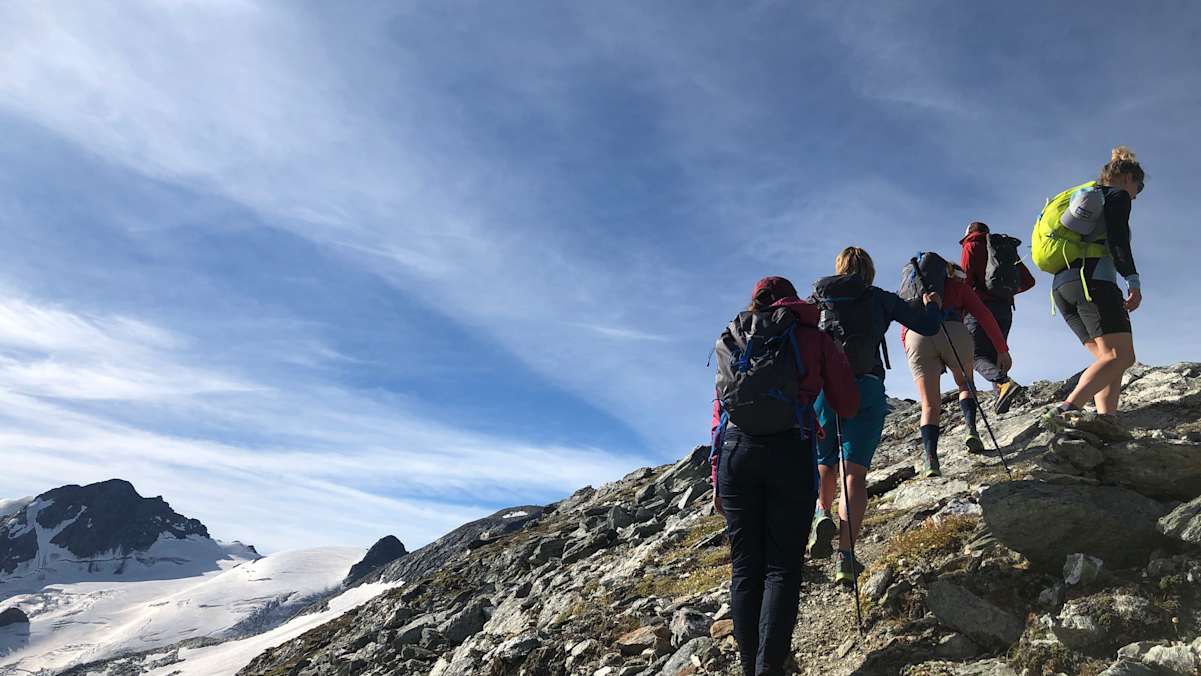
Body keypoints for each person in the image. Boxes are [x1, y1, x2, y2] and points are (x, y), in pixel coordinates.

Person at [710, 276, 858, 676]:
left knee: (745, 568)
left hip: (735, 453)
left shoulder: (736, 337)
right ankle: (770, 668)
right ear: (792, 299)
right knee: (782, 567)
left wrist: (715, 478)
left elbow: (720, 411)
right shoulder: (814, 335)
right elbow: (847, 403)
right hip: (790, 450)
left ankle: (750, 667)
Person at [806, 247, 943, 586]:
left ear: (838, 269)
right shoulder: (879, 297)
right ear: (869, 270)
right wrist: (932, 304)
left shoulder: (817, 301)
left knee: (824, 463)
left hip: (825, 389)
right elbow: (926, 325)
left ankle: (822, 512)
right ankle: (846, 556)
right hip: (866, 386)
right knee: (854, 476)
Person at [1043, 146, 1145, 427]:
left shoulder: (1086, 200)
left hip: (1063, 287)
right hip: (1094, 281)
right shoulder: (1117, 196)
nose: (1138, 193)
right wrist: (1133, 280)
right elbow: (1118, 239)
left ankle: (1106, 421)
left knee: (1109, 359)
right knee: (1121, 355)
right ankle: (1066, 408)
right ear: (1127, 178)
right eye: (1140, 185)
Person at [901, 257, 1012, 477]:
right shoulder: (957, 287)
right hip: (954, 330)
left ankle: (931, 459)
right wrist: (1002, 349)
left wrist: (911, 350)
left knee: (929, 404)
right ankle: (971, 430)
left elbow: (904, 329)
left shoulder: (911, 293)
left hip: (917, 337)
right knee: (965, 384)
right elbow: (984, 315)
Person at [959, 222, 1036, 413]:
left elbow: (966, 281)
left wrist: (964, 306)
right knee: (996, 354)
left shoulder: (971, 245)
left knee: (974, 355)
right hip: (1004, 310)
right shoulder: (1003, 249)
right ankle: (1001, 399)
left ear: (969, 232)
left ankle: (1004, 384)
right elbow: (1029, 281)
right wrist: (1005, 293)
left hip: (979, 308)